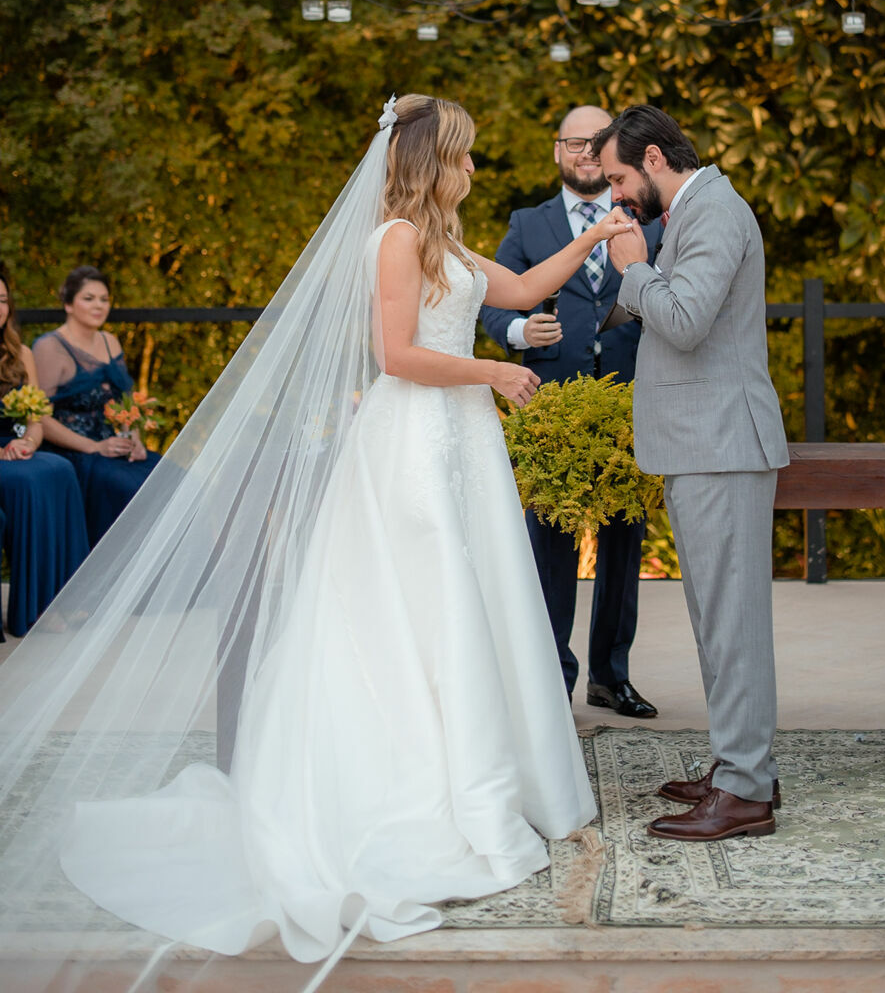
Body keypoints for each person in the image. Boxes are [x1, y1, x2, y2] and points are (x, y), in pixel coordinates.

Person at [0, 95, 632, 990]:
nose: (474, 171)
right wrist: (492, 369)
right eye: (463, 157)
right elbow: (397, 355)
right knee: (425, 612)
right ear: (427, 163)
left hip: (463, 447)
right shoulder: (395, 243)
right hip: (412, 444)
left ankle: (486, 777)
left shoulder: (445, 242)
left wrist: (594, 236)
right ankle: (427, 790)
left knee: (476, 603)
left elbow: (525, 291)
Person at [594, 104, 789, 844]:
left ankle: (744, 793)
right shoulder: (692, 210)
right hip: (702, 445)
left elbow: (683, 320)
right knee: (717, 619)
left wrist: (631, 268)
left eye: (617, 176)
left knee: (733, 623)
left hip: (722, 446)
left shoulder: (713, 212)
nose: (615, 194)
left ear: (651, 159)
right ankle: (740, 768)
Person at [481, 104, 660, 716]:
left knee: (623, 542)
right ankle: (551, 679)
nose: (587, 152)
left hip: (628, 405)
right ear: (557, 151)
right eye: (575, 142)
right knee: (548, 546)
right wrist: (516, 332)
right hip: (549, 409)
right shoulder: (527, 224)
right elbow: (488, 302)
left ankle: (612, 675)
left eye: (599, 142)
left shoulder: (650, 220)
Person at [34, 267, 161, 546]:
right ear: (68, 304)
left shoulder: (110, 341)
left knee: (175, 481)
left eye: (104, 299)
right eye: (89, 298)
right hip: (75, 452)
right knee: (132, 489)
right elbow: (39, 418)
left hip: (113, 446)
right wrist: (93, 447)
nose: (99, 306)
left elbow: (124, 404)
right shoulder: (49, 347)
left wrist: (135, 440)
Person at [0, 263, 89, 636]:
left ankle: (64, 600)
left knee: (58, 469)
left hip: (17, 447)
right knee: (29, 483)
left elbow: (36, 414)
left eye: (3, 300)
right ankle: (32, 612)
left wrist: (28, 441)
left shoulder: (20, 353)